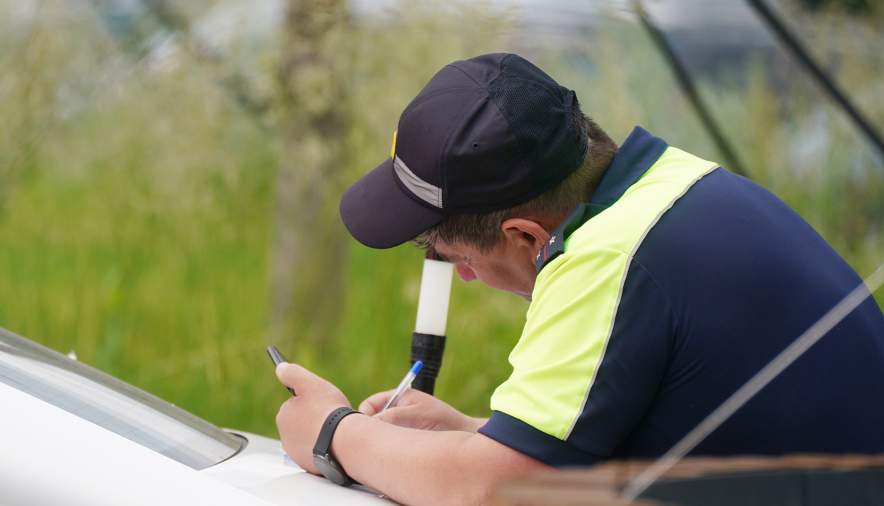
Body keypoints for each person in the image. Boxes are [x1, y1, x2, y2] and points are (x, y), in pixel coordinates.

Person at [274, 53, 884, 505]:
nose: (461, 276)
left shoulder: (609, 260)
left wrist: (334, 433)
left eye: (453, 254)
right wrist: (469, 433)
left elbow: (493, 492)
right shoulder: (675, 184)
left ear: (526, 238)